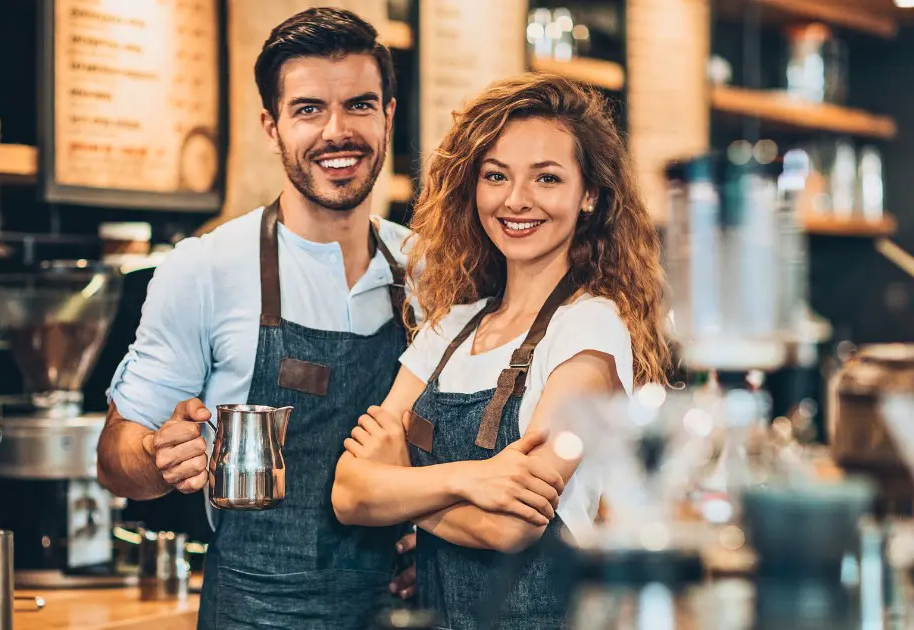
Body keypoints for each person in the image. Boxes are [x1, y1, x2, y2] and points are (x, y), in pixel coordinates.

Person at [97, 8, 419, 629]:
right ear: (271, 126)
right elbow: (115, 458)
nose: (336, 131)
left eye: (359, 105)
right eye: (307, 110)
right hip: (253, 613)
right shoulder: (205, 268)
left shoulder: (430, 273)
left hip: (398, 613)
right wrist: (158, 457)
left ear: (388, 114)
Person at [330, 74, 673, 630]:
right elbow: (348, 494)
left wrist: (399, 483)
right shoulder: (451, 328)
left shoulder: (589, 326)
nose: (517, 200)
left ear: (589, 196)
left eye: (547, 178)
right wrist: (470, 481)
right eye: (496, 176)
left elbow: (513, 527)